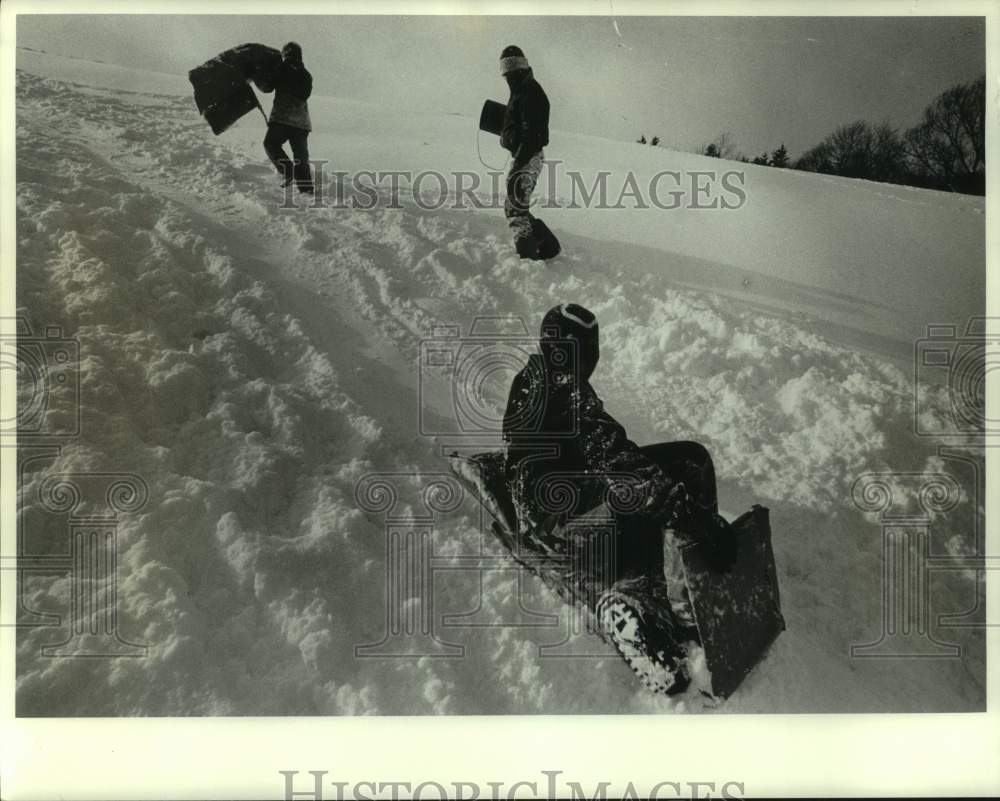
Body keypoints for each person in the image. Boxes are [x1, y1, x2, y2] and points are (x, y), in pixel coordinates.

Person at [501, 304, 737, 594]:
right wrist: (694, 518)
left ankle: (691, 563)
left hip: (557, 490)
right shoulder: (562, 388)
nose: (591, 357)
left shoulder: (538, 376)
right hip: (553, 517)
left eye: (593, 347)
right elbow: (613, 453)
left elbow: (601, 447)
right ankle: (642, 591)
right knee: (639, 490)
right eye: (584, 348)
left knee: (688, 458)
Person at [499, 45, 550, 259]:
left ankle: (527, 259)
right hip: (526, 155)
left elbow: (532, 135)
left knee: (515, 208)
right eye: (506, 72)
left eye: (511, 71)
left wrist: (519, 161)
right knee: (516, 204)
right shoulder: (521, 90)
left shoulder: (530, 92)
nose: (508, 76)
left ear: (520, 68)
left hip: (528, 156)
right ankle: (548, 246)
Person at [263, 42, 314, 194]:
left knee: (270, 144)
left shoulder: (281, 69)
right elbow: (304, 94)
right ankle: (306, 190)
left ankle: (289, 172)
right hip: (301, 123)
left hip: (282, 119)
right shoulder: (306, 74)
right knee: (301, 157)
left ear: (285, 54)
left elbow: (267, 87)